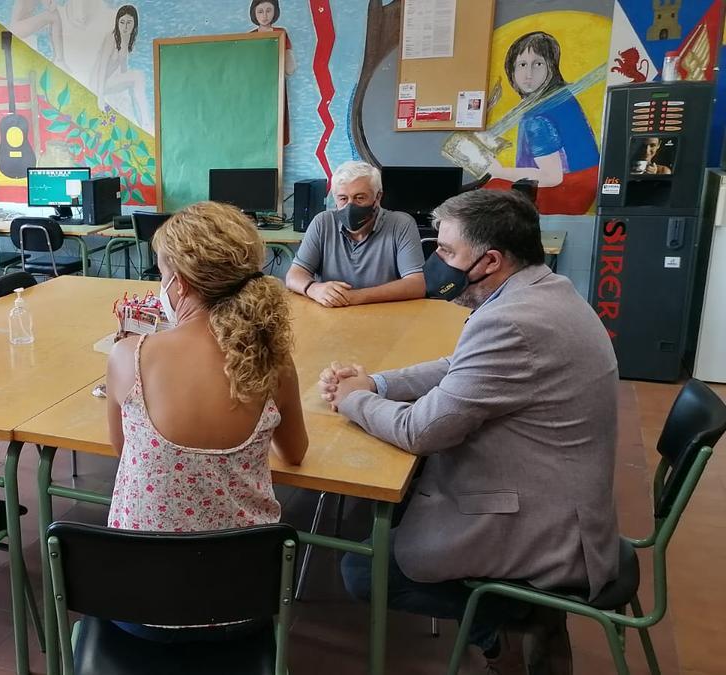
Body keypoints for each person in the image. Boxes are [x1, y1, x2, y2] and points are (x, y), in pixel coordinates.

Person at [321, 190, 619, 674]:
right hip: (560, 497)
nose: (436, 260)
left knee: (363, 570)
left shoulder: (514, 321)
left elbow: (421, 430)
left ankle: (515, 621)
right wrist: (376, 382)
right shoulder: (538, 292)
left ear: (491, 260)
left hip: (549, 531)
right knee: (403, 508)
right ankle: (517, 622)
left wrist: (351, 399)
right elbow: (458, 365)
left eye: (447, 251)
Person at [104, 201, 308, 640]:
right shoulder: (272, 360)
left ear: (178, 284)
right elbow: (295, 453)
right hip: (243, 602)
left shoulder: (130, 356)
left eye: (161, 273)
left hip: (136, 605)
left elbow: (123, 453)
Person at [485, 31, 600, 216]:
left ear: (551, 68)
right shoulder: (561, 97)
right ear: (512, 70)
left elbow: (551, 177)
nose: (528, 74)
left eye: (537, 64)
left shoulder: (536, 118)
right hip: (585, 185)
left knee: (488, 194)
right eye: (522, 65)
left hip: (568, 191)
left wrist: (499, 171)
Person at [285, 161, 426, 308]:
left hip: (384, 316)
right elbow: (293, 276)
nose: (350, 206)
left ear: (377, 197)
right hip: (331, 316)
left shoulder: (401, 224)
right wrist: (314, 289)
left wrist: (355, 297)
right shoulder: (323, 222)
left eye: (360, 198)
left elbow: (416, 284)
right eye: (343, 198)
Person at [91, 4, 152, 133]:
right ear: (117, 23)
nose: (125, 27)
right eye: (122, 22)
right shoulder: (111, 38)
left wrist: (128, 92)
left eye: (129, 23)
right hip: (98, 83)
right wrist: (100, 97)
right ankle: (146, 122)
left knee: (137, 77)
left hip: (109, 82)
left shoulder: (126, 40)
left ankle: (144, 121)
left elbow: (123, 70)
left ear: (134, 24)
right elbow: (102, 67)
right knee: (138, 76)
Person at [248, 0, 294, 144]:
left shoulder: (281, 33)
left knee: (276, 119)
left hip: (276, 83)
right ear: (254, 13)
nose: (265, 15)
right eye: (260, 11)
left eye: (269, 10)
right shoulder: (249, 36)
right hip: (256, 85)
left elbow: (290, 66)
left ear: (275, 11)